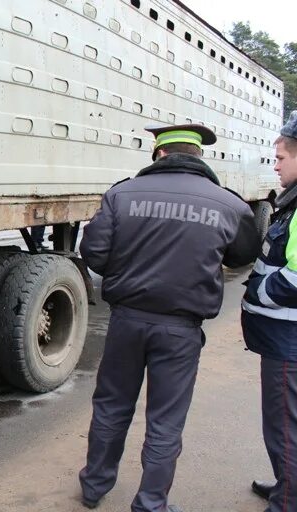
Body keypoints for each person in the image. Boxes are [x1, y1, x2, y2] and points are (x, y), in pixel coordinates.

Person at [78, 124, 260, 512]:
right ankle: (150, 502)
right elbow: (243, 256)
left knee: (111, 405)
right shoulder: (228, 204)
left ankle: (94, 487)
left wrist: (127, 270)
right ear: (198, 157)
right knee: (165, 420)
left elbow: (93, 252)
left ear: (159, 154)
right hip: (181, 330)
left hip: (127, 320)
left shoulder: (121, 194)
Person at [243, 111, 297, 512]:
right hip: (285, 338)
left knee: (284, 428)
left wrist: (259, 291)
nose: (275, 165)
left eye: (281, 157)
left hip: (288, 342)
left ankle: (287, 500)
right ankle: (286, 484)